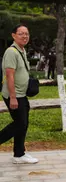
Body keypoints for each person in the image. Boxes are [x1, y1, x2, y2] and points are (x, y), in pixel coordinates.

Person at [0, 25, 38, 164]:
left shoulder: (21, 50)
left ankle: (19, 154)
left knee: (23, 124)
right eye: (21, 33)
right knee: (20, 124)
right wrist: (13, 97)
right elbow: (10, 76)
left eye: (27, 34)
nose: (25, 36)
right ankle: (18, 153)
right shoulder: (11, 52)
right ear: (14, 35)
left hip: (22, 94)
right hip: (14, 95)